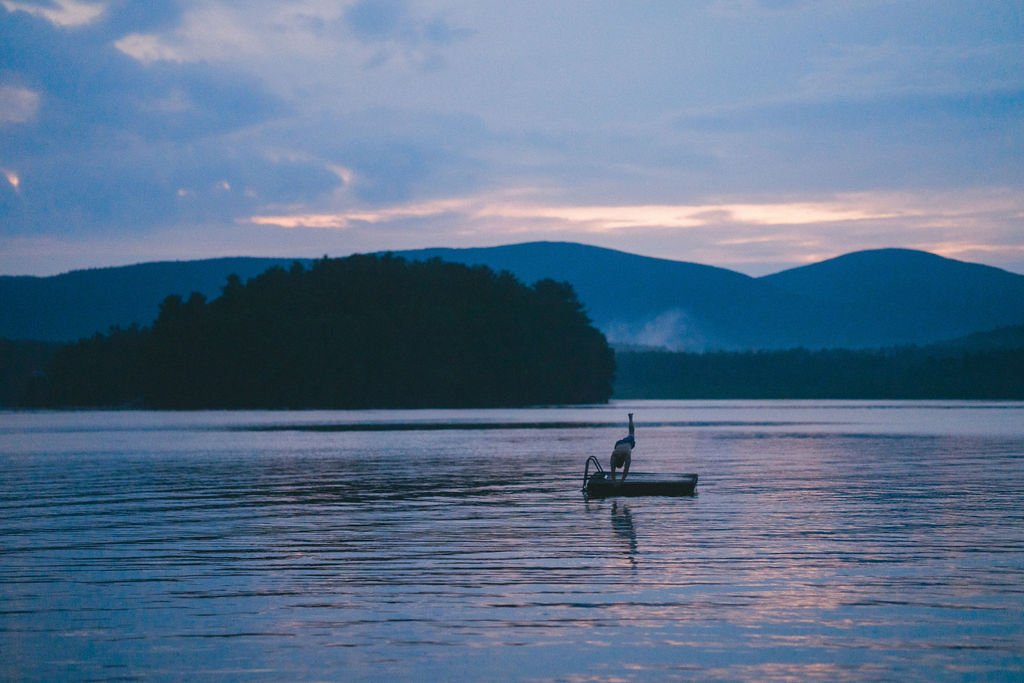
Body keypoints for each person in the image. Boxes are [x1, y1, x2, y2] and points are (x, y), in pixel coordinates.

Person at [610, 413, 635, 482]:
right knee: (631, 433)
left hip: (628, 443)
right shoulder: (614, 454)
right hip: (618, 443)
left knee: (631, 433)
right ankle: (630, 417)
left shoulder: (627, 455)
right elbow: (612, 470)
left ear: (622, 461)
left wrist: (621, 481)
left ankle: (630, 417)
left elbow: (626, 470)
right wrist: (614, 481)